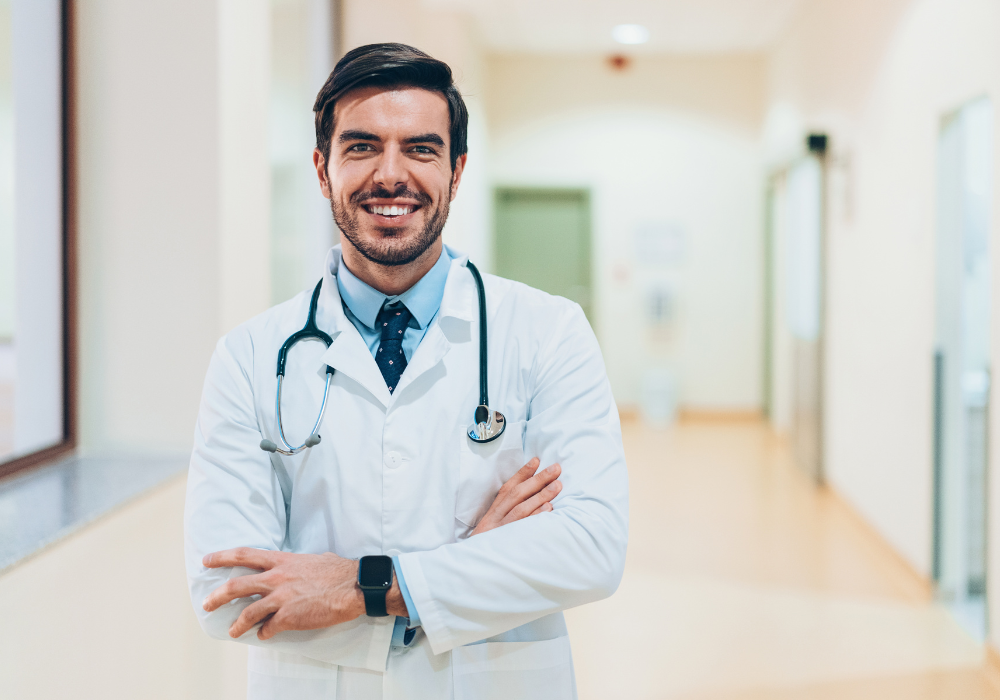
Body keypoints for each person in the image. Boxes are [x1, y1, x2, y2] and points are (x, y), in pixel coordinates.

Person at [184, 42, 629, 700]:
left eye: (420, 149)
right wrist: (468, 568)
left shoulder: (548, 331)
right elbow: (228, 598)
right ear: (321, 167)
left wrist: (357, 587)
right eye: (361, 147)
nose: (390, 175)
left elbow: (592, 549)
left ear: (457, 171)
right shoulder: (250, 356)